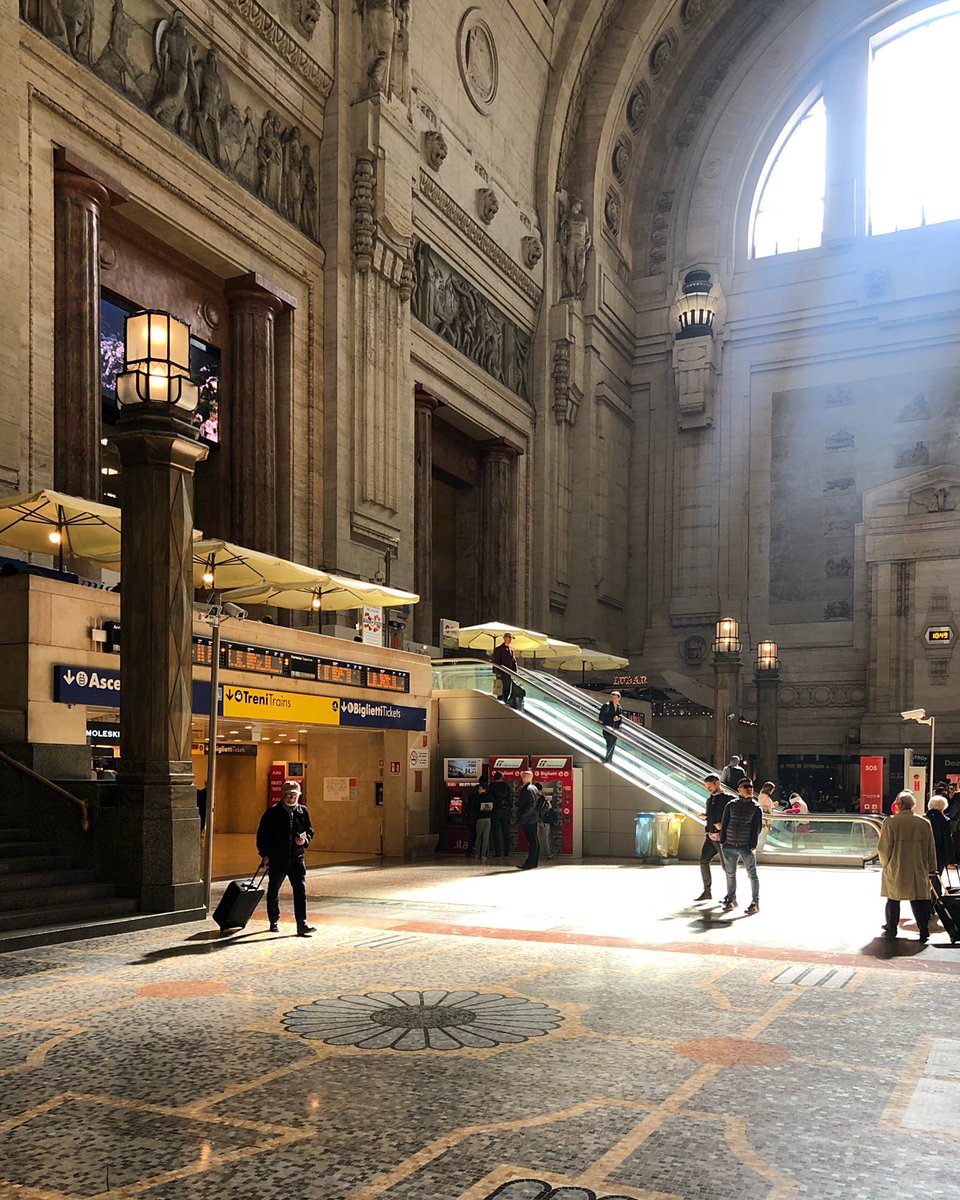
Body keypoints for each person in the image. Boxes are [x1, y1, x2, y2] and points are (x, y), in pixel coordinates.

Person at [256, 779, 316, 936]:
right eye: (289, 794)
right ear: (283, 795)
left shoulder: (303, 811)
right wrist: (265, 855)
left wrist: (305, 839)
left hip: (297, 858)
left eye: (295, 794)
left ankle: (301, 923)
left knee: (300, 891)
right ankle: (273, 920)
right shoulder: (272, 812)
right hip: (278, 858)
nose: (292, 797)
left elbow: (309, 830)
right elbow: (262, 835)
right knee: (274, 890)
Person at [878, 791, 936, 943]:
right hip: (919, 866)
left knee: (893, 898)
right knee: (919, 899)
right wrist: (931, 868)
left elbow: (883, 848)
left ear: (900, 805)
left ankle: (892, 927)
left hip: (897, 866)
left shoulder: (891, 822)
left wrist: (886, 864)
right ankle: (923, 929)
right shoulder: (924, 822)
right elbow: (931, 848)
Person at [719, 778, 763, 914]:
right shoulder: (731, 805)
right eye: (746, 786)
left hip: (745, 846)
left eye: (751, 786)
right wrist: (722, 841)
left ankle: (755, 902)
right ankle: (731, 899)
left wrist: (752, 845)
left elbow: (757, 828)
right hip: (729, 844)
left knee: (752, 874)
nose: (749, 789)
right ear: (739, 789)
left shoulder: (755, 808)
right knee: (730, 874)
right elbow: (725, 822)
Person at [695, 773, 729, 901]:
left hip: (721, 837)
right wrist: (706, 816)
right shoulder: (710, 800)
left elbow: (731, 816)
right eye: (707, 786)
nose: (708, 788)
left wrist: (723, 826)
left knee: (726, 867)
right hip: (710, 835)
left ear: (718, 783)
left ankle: (730, 895)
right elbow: (712, 814)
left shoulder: (727, 799)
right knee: (704, 861)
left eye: (710, 786)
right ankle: (707, 891)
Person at [516, 769, 540, 870]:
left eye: (523, 776)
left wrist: (523, 816)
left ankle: (529, 863)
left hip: (529, 819)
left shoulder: (527, 789)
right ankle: (534, 862)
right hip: (534, 818)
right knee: (534, 840)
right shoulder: (534, 788)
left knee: (532, 841)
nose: (521, 778)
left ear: (526, 778)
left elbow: (531, 804)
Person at [926, 794, 953, 877]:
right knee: (937, 877)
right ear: (943, 806)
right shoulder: (944, 820)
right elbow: (947, 839)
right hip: (939, 853)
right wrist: (950, 859)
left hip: (924, 852)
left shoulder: (924, 818)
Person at [489, 771, 512, 858]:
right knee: (506, 831)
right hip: (505, 811)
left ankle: (498, 852)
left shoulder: (492, 786)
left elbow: (490, 799)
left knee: (496, 832)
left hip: (495, 811)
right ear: (501, 777)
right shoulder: (506, 786)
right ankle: (507, 852)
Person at [492, 632, 518, 705]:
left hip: (508, 672)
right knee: (501, 690)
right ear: (504, 638)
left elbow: (514, 662)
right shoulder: (498, 649)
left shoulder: (511, 650)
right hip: (501, 673)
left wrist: (515, 672)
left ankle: (504, 702)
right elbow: (496, 662)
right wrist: (498, 673)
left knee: (507, 689)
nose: (510, 639)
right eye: (509, 638)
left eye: (510, 638)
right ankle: (500, 704)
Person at [598, 691, 623, 763]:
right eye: (613, 697)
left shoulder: (619, 707)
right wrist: (612, 719)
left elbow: (620, 717)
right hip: (607, 729)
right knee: (609, 743)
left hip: (615, 730)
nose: (614, 699)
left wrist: (619, 721)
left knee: (612, 745)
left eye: (615, 697)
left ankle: (609, 759)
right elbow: (601, 717)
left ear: (619, 698)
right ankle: (608, 759)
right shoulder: (607, 705)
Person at [474, 781, 493, 863]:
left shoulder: (478, 797)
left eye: (480, 789)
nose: (479, 790)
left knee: (478, 837)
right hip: (488, 819)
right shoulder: (491, 797)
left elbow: (473, 808)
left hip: (480, 819)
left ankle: (477, 854)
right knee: (486, 837)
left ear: (483, 789)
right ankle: (483, 855)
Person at [537, 787, 555, 861]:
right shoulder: (546, 799)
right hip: (545, 822)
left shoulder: (534, 798)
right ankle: (549, 854)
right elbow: (550, 809)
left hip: (536, 821)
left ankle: (536, 853)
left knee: (535, 837)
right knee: (546, 838)